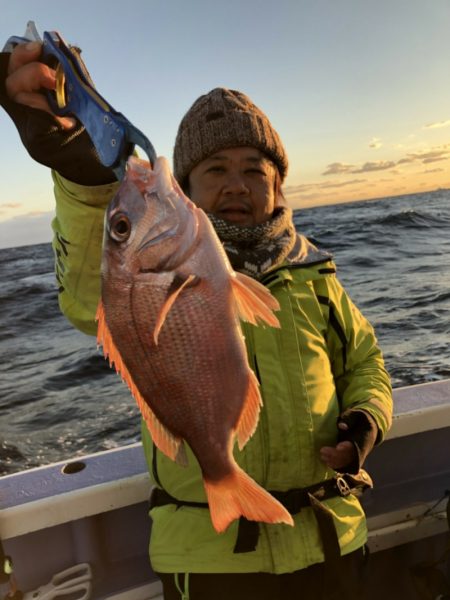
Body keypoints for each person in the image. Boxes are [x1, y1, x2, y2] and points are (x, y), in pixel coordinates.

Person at [1, 41, 393, 600]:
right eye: (215, 169)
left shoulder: (318, 277)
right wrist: (79, 171)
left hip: (332, 536)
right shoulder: (154, 268)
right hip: (209, 555)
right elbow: (92, 301)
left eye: (253, 170)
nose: (236, 184)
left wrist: (367, 418)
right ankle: (222, 477)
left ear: (277, 185)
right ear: (185, 187)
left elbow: (367, 362)